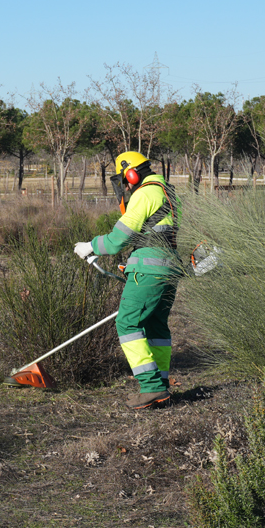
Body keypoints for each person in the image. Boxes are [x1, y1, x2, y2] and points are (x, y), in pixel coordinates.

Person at [74, 151, 181, 410]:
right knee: (156, 328)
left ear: (132, 173)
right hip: (168, 269)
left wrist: (90, 246)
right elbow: (155, 235)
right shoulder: (167, 191)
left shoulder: (145, 193)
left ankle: (151, 387)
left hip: (149, 270)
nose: (126, 185)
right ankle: (161, 387)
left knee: (127, 323)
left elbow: (119, 237)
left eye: (125, 179)